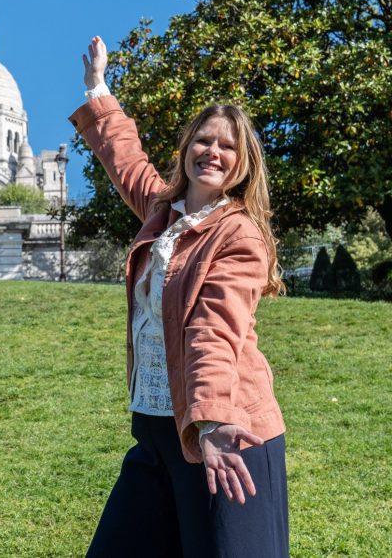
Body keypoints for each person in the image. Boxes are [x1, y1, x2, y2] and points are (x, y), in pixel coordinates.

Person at [72, 36, 288, 558]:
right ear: (187, 147)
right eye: (203, 140)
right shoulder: (163, 213)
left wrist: (210, 422)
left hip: (225, 434)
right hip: (155, 430)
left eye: (227, 146)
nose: (213, 152)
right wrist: (99, 87)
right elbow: (126, 160)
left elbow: (213, 331)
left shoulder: (238, 236)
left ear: (242, 165)